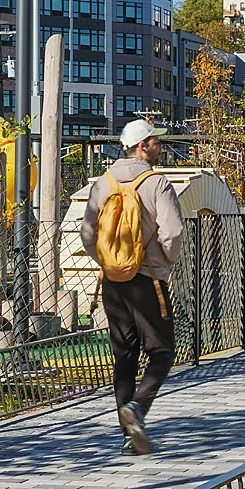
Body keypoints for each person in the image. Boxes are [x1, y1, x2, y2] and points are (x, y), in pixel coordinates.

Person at [77, 118, 185, 451]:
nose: (160, 147)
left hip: (113, 282)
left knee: (124, 355)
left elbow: (87, 234)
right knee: (163, 352)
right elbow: (174, 233)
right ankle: (137, 407)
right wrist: (167, 262)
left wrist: (107, 261)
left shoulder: (103, 183)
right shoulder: (156, 184)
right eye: (156, 142)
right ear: (142, 146)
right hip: (148, 279)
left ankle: (128, 437)